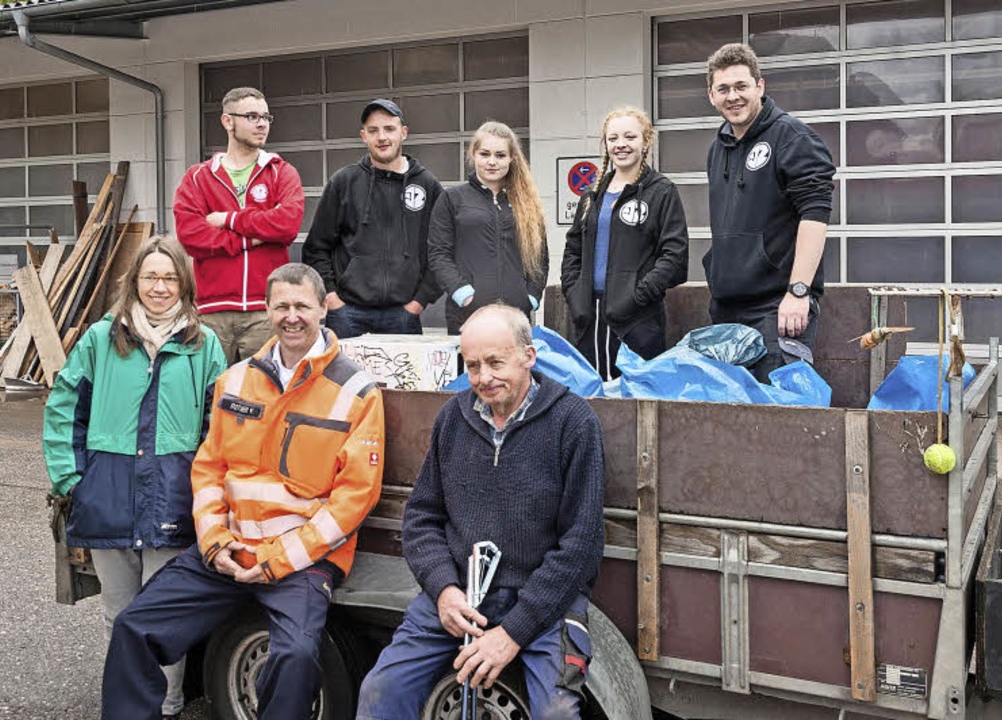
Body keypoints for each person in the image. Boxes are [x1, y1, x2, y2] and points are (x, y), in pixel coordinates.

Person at [101, 263, 384, 720]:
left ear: (321, 310)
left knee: (294, 658)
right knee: (135, 625)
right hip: (228, 553)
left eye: (302, 306)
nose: (292, 316)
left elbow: (355, 497)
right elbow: (209, 470)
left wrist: (278, 559)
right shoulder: (233, 380)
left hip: (300, 563)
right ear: (267, 310)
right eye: (281, 306)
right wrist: (214, 542)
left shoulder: (355, 391)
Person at [356, 303, 606, 720]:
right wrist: (443, 589)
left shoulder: (573, 423)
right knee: (380, 692)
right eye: (472, 366)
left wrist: (513, 632)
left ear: (529, 356)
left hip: (543, 604)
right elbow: (421, 518)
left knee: (557, 715)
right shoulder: (452, 418)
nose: (483, 378)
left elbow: (581, 545)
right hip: (460, 598)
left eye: (495, 362)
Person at [43, 236, 226, 720]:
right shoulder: (101, 339)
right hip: (109, 494)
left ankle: (164, 708)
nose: (160, 287)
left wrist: (207, 493)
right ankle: (127, 708)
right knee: (119, 616)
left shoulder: (204, 345)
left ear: (183, 284)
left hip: (171, 496)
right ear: (136, 282)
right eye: (151, 277)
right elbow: (64, 407)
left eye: (169, 278)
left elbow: (220, 428)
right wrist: (71, 480)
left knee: (164, 619)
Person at [703, 43, 835, 382]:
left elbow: (815, 214)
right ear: (712, 96)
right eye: (724, 89)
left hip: (778, 310)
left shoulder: (792, 137)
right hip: (727, 311)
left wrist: (799, 291)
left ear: (760, 86)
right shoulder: (717, 149)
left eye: (741, 86)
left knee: (777, 422)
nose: (733, 96)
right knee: (729, 421)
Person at [175, 86, 306, 365]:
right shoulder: (198, 177)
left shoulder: (281, 171)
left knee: (264, 396)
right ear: (227, 121)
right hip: (211, 312)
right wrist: (251, 238)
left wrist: (229, 220)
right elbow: (191, 235)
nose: (261, 124)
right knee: (210, 396)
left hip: (265, 311)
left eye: (266, 117)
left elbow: (287, 225)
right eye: (251, 116)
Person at [561, 107, 690, 380]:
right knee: (591, 400)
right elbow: (573, 249)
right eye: (613, 138)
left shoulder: (661, 191)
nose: (621, 145)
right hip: (590, 319)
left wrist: (636, 297)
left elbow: (674, 256)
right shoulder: (592, 195)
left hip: (637, 321)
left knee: (633, 404)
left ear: (646, 142)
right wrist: (575, 296)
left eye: (630, 137)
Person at [302, 98, 444, 339]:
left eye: (389, 129)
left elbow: (441, 250)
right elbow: (317, 248)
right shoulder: (344, 182)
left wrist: (419, 302)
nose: (382, 137)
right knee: (344, 378)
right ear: (363, 136)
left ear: (404, 133)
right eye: (373, 130)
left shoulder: (427, 185)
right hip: (347, 314)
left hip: (404, 315)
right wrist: (332, 298)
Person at [428, 122, 548, 335]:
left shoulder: (526, 203)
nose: (492, 162)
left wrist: (530, 297)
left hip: (515, 315)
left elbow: (539, 257)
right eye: (485, 154)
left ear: (512, 158)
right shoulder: (451, 199)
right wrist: (462, 293)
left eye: (500, 155)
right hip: (468, 314)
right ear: (473, 155)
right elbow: (438, 254)